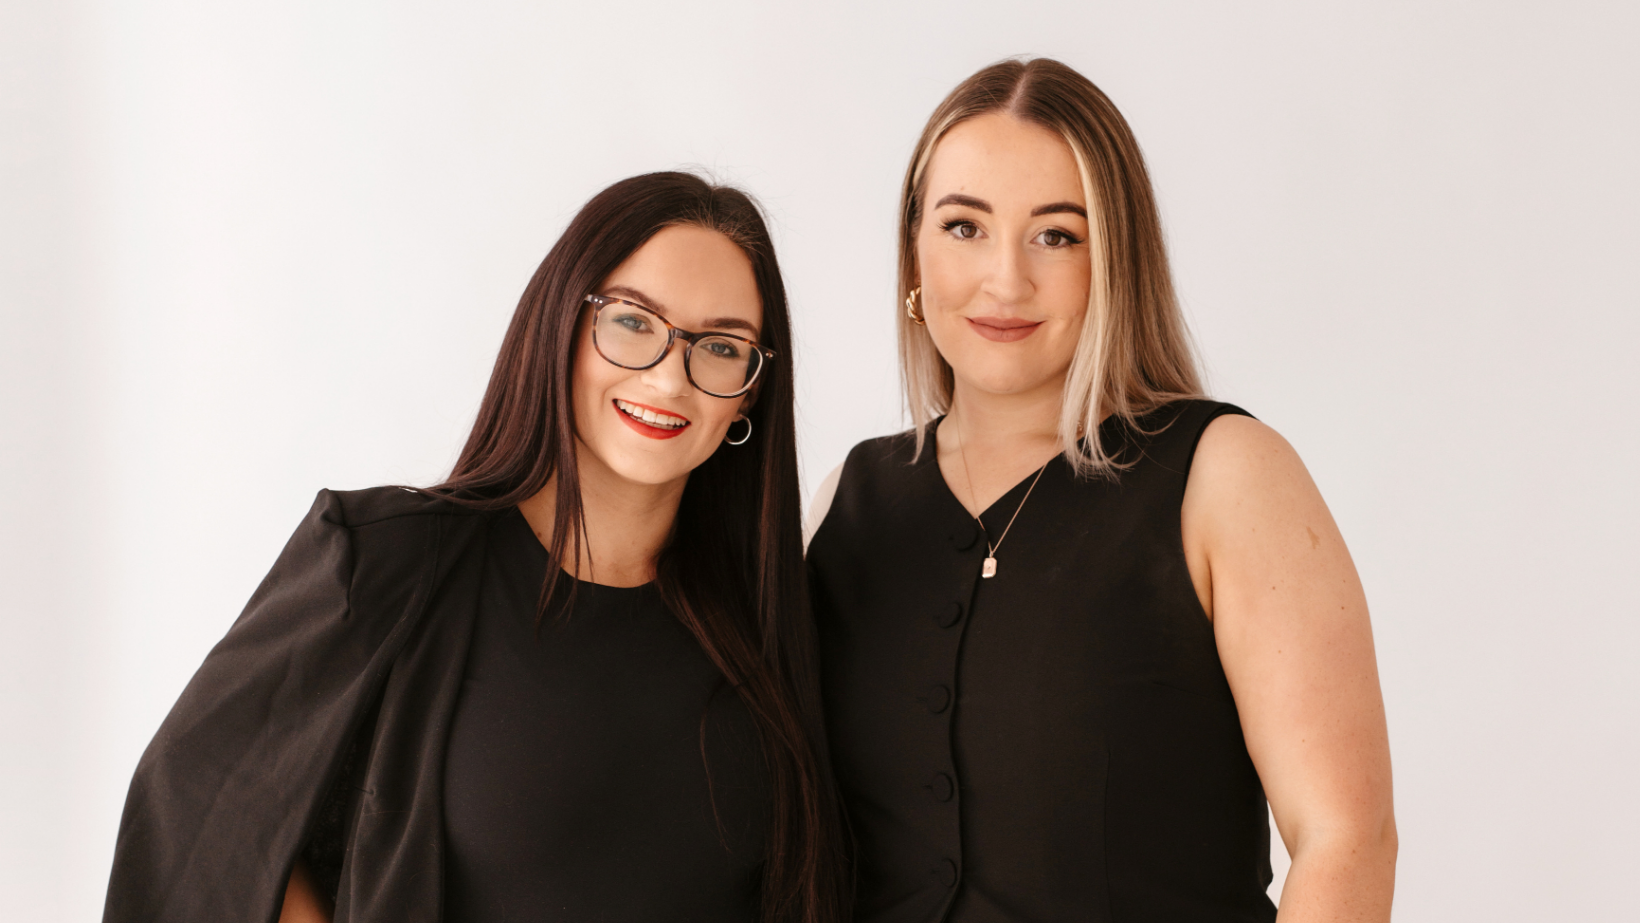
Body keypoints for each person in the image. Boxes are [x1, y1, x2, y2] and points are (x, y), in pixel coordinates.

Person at [103, 172, 848, 923]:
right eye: (632, 322)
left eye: (720, 346)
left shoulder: (768, 624)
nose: (667, 375)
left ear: (750, 392)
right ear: (564, 322)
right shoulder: (386, 563)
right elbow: (192, 813)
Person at [805, 58, 1396, 922]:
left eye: (1057, 235)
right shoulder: (843, 501)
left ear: (1116, 258)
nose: (1006, 279)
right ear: (915, 253)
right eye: (964, 227)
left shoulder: (1224, 473)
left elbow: (1345, 836)